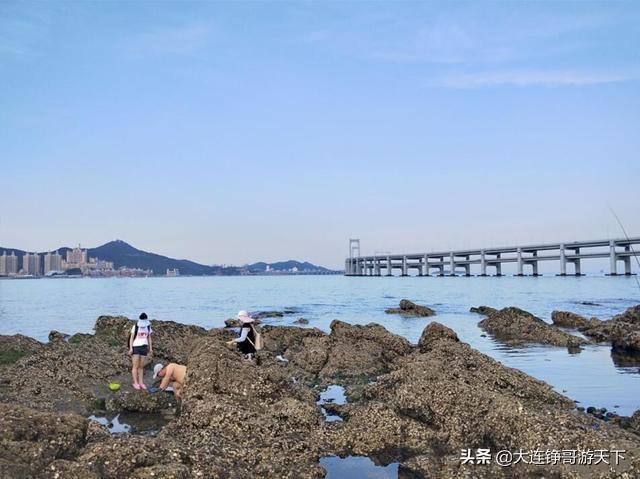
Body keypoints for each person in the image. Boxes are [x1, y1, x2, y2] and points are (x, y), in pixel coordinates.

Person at [128, 312, 153, 390]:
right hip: (136, 347)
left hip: (144, 347)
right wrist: (131, 348)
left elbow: (149, 338)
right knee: (135, 366)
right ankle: (135, 383)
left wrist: (151, 348)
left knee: (141, 366)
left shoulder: (148, 327)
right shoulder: (135, 326)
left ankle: (141, 382)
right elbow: (131, 338)